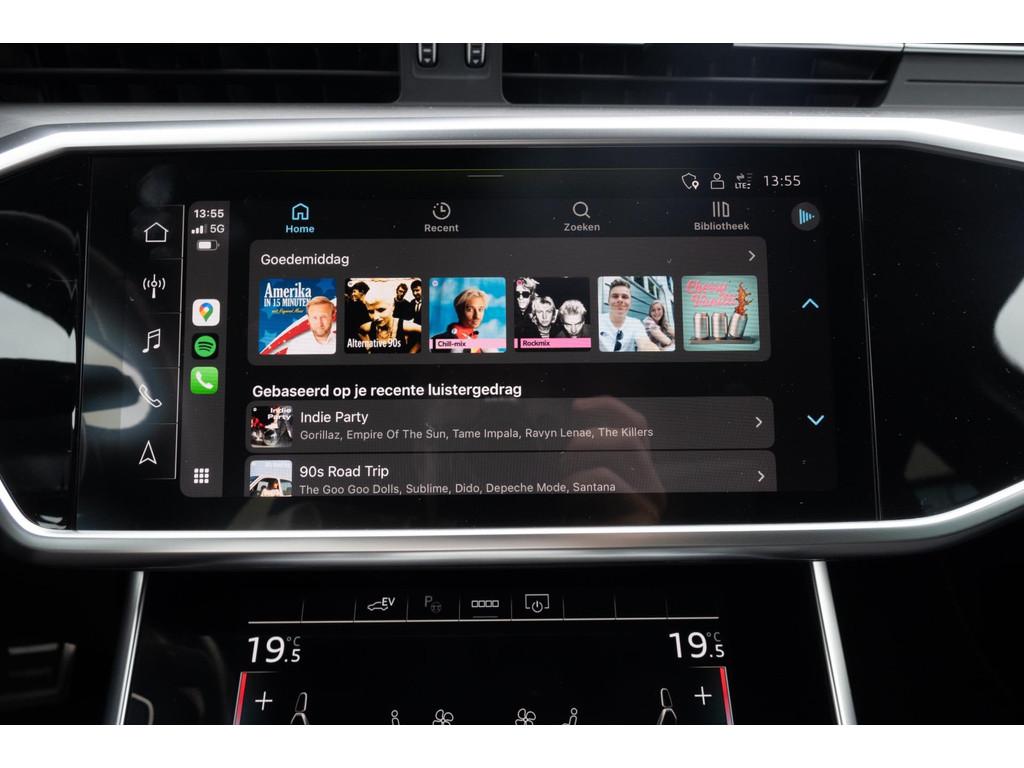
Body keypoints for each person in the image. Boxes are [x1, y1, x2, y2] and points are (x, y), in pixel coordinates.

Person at [356, 287, 422, 353]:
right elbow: (360, 331)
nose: (375, 317)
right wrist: (368, 347)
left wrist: (413, 351)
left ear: (393, 307)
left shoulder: (402, 325)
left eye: (381, 310)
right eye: (371, 312)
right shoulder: (369, 327)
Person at [432, 287, 492, 353]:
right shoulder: (442, 341)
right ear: (459, 311)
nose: (477, 316)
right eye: (470, 309)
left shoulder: (478, 342)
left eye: (480, 309)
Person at [598, 279, 646, 352]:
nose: (620, 300)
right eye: (615, 296)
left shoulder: (636, 324)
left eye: (625, 297)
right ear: (608, 301)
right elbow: (581, 343)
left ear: (630, 303)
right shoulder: (598, 320)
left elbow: (645, 344)